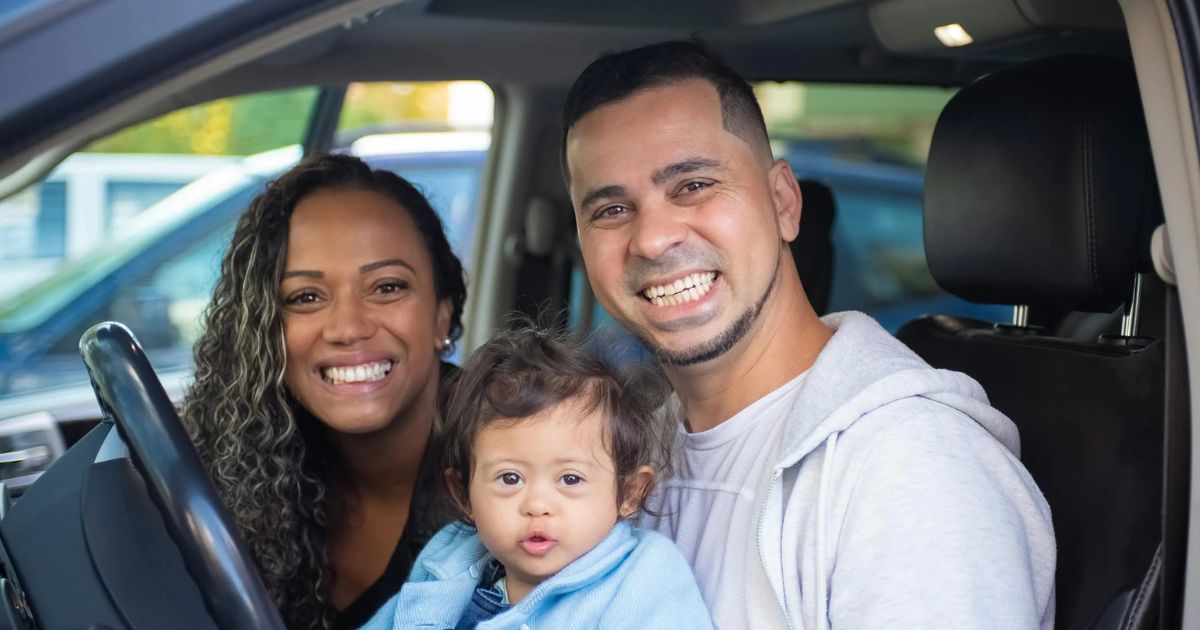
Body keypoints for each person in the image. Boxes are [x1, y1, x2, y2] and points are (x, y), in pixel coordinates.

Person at [561, 40, 1056, 629]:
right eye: (611, 210)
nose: (651, 238)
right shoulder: (630, 456)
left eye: (692, 185)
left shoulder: (908, 468)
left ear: (783, 202)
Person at [182, 153, 467, 630]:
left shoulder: (521, 466)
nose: (348, 328)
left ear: (441, 313)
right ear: (263, 331)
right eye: (306, 297)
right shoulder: (244, 461)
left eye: (387, 287)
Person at [359, 326, 713, 630]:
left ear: (630, 493)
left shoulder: (645, 577)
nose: (537, 505)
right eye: (510, 478)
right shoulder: (449, 559)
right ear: (463, 493)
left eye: (570, 480)